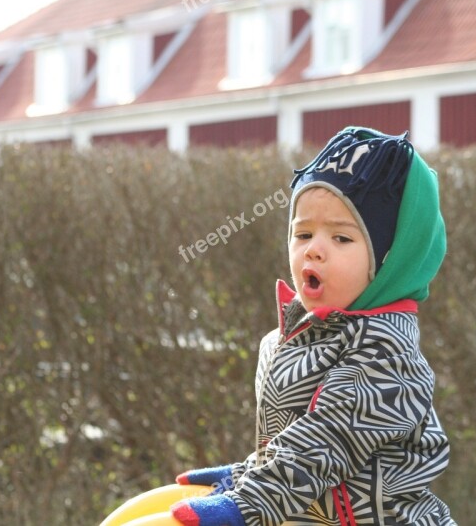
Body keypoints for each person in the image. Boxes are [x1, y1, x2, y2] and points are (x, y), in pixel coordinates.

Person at [170, 127, 455, 525]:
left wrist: (246, 504)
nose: (314, 249)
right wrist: (243, 476)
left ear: (391, 261)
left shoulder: (385, 353)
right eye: (302, 233)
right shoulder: (295, 336)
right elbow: (291, 436)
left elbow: (325, 442)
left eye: (341, 238)